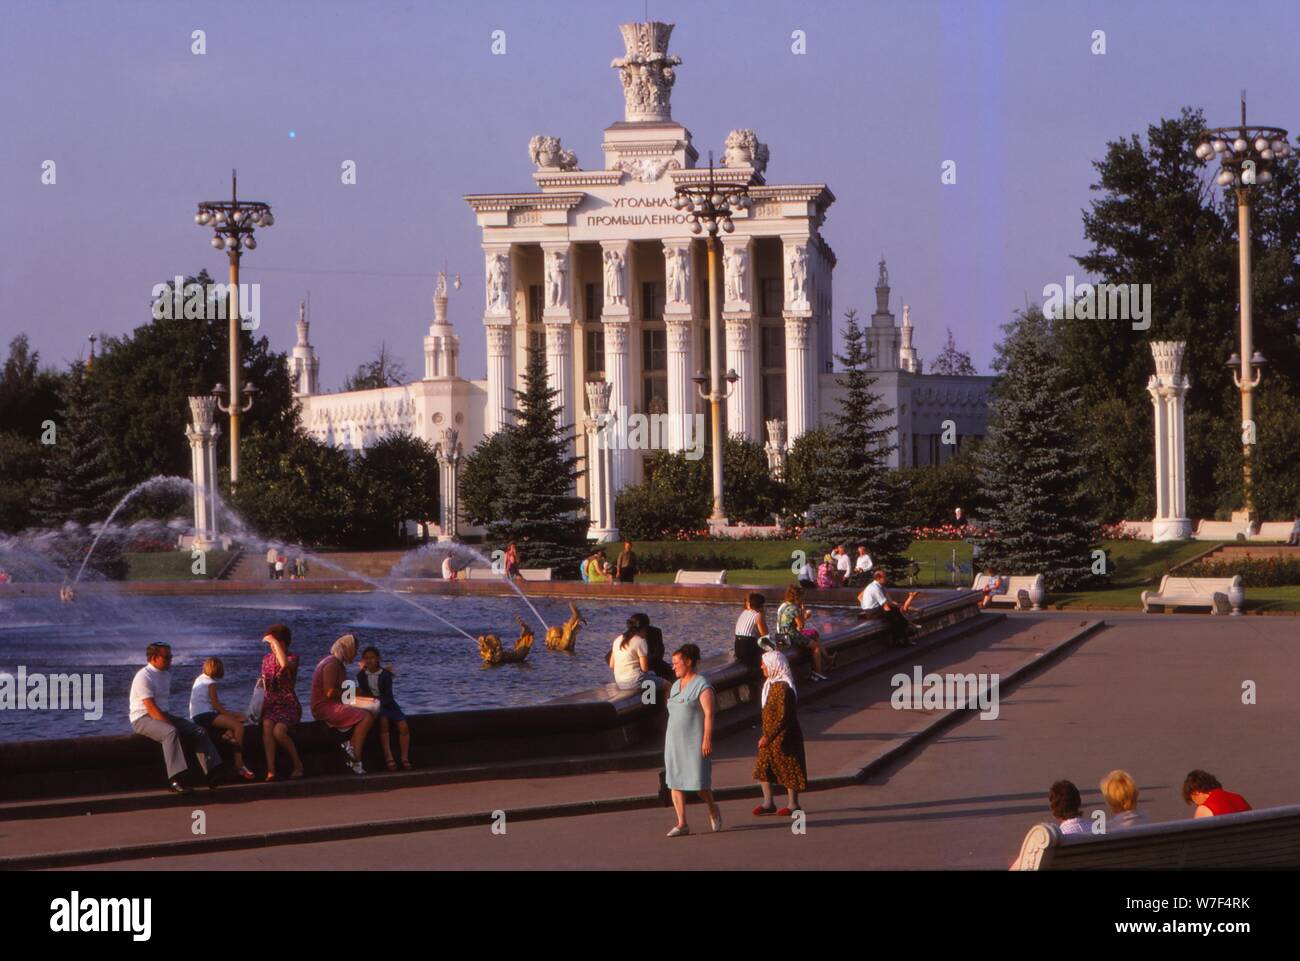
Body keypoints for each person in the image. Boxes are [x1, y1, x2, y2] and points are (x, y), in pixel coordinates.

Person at [129, 642, 224, 794]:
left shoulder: (165, 675)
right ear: (154, 658)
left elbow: (162, 707)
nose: (170, 660)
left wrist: (172, 722)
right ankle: (175, 779)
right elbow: (151, 708)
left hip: (163, 713)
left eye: (171, 657)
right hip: (142, 718)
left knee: (198, 730)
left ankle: (212, 772)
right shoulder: (144, 676)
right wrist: (170, 725)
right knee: (170, 733)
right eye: (167, 657)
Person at [663, 643, 722, 836]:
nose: (673, 667)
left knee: (699, 784)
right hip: (674, 742)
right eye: (672, 663)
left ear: (688, 662)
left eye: (676, 663)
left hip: (694, 742)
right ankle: (682, 823)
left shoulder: (702, 686)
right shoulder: (675, 687)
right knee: (674, 782)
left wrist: (707, 740)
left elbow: (709, 715)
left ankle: (713, 808)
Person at [752, 648, 807, 817]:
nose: (762, 666)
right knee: (764, 767)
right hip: (770, 736)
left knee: (789, 768)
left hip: (785, 736)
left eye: (765, 664)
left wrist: (769, 736)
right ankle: (768, 803)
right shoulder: (771, 685)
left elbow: (783, 717)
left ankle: (793, 805)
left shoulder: (784, 688)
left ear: (774, 665)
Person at [311, 633, 376, 774]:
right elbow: (329, 692)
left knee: (373, 706)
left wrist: (357, 691)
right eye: (355, 649)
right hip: (324, 707)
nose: (356, 653)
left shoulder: (338, 664)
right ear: (347, 648)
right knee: (366, 716)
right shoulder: (332, 664)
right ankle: (355, 755)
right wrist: (353, 694)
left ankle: (354, 753)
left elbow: (342, 690)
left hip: (333, 703)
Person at [189, 657, 255, 781]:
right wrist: (230, 715)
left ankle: (228, 735)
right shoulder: (211, 683)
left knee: (236, 719)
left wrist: (230, 715)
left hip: (196, 715)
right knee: (239, 725)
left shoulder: (199, 679)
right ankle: (239, 764)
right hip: (205, 715)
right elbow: (216, 705)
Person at [1009, 780, 1089, 869]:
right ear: (1078, 801)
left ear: (1054, 808)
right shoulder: (1098, 830)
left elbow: (1018, 867)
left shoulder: (1053, 839)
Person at [260, 623, 304, 781]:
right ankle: (271, 769)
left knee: (279, 732)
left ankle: (297, 764)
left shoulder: (293, 658)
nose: (272, 647)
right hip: (270, 704)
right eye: (271, 645)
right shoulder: (266, 659)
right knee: (267, 726)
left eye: (275, 644)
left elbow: (285, 665)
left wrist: (274, 641)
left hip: (288, 704)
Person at [358, 646, 411, 771]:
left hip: (388, 703)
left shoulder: (386, 674)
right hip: (372, 703)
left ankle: (404, 757)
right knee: (384, 723)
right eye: (366, 658)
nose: (369, 661)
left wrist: (380, 702)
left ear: (378, 659)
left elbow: (388, 694)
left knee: (403, 726)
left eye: (372, 658)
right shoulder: (361, 675)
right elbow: (364, 692)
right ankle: (389, 757)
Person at [776, 584, 833, 680]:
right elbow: (801, 626)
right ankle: (818, 672)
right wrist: (804, 614)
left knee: (812, 636)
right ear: (796, 597)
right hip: (791, 637)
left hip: (780, 637)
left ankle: (827, 660)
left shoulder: (783, 605)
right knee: (816, 646)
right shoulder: (794, 609)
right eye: (801, 598)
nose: (802, 600)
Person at [859, 569, 919, 646]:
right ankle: (900, 640)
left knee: (897, 615)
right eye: (885, 577)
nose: (886, 579)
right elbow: (886, 606)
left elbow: (889, 602)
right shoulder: (875, 588)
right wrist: (894, 613)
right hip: (872, 612)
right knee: (896, 618)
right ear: (878, 578)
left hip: (876, 609)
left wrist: (898, 609)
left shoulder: (879, 586)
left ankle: (901, 640)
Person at [1182, 770, 1251, 818]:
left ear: (1195, 793)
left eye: (1194, 801)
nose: (1197, 805)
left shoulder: (1204, 808)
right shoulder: (1239, 798)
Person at [608, 616, 652, 691]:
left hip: (619, 682)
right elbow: (644, 669)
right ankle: (671, 702)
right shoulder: (641, 641)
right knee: (666, 684)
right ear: (644, 628)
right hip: (635, 682)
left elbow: (611, 665)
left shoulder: (617, 640)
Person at [733, 592, 769, 676]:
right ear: (761, 606)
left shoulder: (744, 613)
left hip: (738, 648)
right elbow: (765, 636)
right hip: (748, 648)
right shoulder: (757, 616)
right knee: (770, 651)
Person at [632, 612, 673, 681]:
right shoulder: (627, 636)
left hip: (652, 664)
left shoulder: (655, 632)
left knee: (670, 672)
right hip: (635, 668)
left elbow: (659, 654)